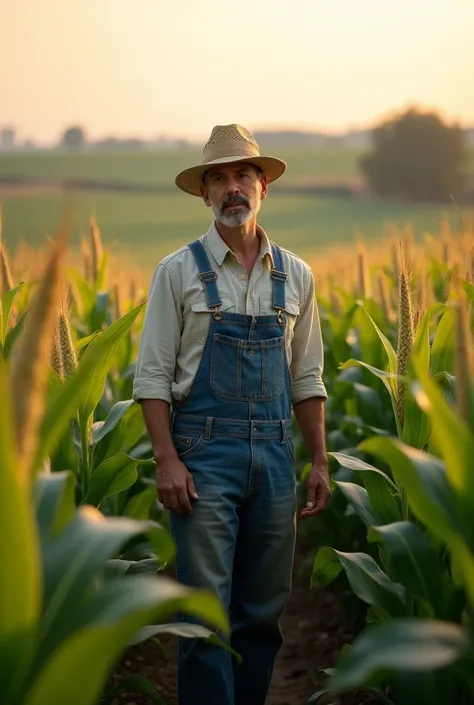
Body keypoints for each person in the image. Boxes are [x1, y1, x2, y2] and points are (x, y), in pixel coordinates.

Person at [132, 123, 330, 705]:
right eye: (218, 179)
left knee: (263, 616)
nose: (231, 188)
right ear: (204, 195)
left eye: (243, 174)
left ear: (263, 185)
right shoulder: (176, 272)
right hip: (202, 455)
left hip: (273, 453)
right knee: (204, 616)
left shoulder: (296, 275)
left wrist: (318, 460)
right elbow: (151, 380)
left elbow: (308, 379)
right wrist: (166, 460)